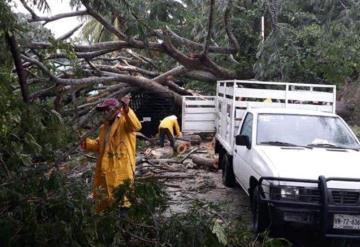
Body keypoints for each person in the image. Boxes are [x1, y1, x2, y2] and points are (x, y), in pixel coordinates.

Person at [81, 96, 141, 212]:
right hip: (106, 169)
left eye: (108, 110)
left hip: (121, 168)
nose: (105, 113)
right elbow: (100, 144)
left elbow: (136, 126)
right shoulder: (104, 127)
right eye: (104, 111)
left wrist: (127, 109)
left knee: (121, 199)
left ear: (116, 109)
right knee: (105, 201)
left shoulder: (124, 121)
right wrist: (85, 141)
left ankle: (123, 225)